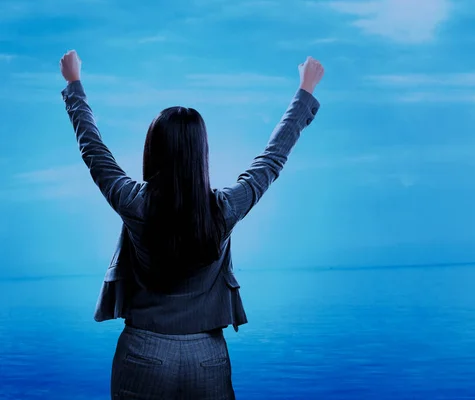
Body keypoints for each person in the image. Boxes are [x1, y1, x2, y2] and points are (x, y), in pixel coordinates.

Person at [59, 50, 324, 399]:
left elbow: (93, 149)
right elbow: (272, 158)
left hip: (143, 351)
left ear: (153, 150)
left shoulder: (133, 202)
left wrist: (75, 85)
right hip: (207, 356)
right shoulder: (226, 209)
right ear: (202, 153)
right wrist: (304, 90)